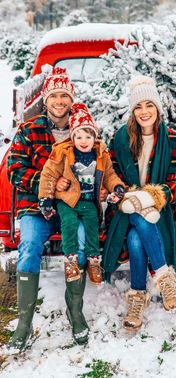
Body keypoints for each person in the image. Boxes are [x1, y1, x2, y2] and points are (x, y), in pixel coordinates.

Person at [6, 67, 87, 351]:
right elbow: (14, 170)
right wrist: (47, 182)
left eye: (64, 95)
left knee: (78, 243)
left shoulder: (82, 131)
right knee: (28, 245)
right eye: (54, 96)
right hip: (35, 207)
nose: (59, 101)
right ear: (46, 98)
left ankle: (75, 312)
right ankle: (24, 323)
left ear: (71, 99)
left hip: (72, 207)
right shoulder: (29, 130)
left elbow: (100, 165)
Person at [103, 75, 176, 333]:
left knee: (136, 237)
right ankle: (164, 278)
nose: (144, 112)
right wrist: (126, 194)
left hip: (158, 210)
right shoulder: (121, 139)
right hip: (124, 207)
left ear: (157, 108)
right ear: (132, 111)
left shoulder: (173, 139)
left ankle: (137, 297)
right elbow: (112, 175)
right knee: (136, 217)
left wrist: (152, 196)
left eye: (149, 105)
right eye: (138, 107)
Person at [38, 102, 125, 286]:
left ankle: (94, 260)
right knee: (69, 224)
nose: (83, 141)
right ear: (72, 137)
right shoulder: (63, 152)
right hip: (67, 201)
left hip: (88, 201)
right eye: (78, 136)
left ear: (95, 137)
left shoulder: (101, 155)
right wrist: (45, 198)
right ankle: (71, 260)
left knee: (92, 225)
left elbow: (110, 175)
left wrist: (116, 186)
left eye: (88, 136)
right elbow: (49, 174)